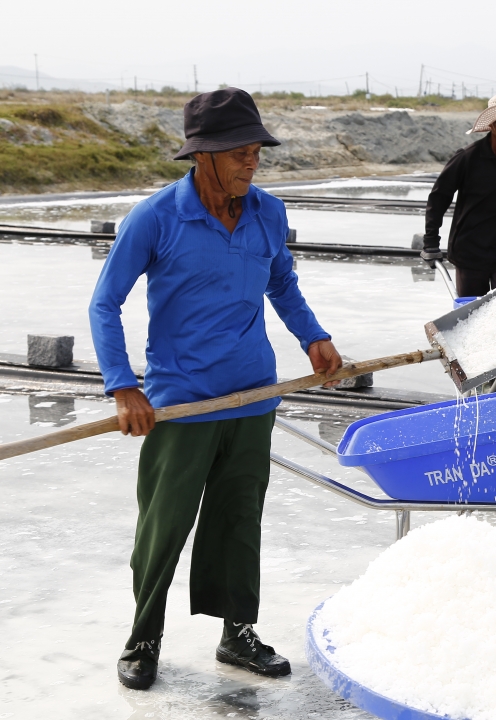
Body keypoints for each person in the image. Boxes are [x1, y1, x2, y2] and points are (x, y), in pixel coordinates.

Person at [89, 88, 342, 690]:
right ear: (202, 156)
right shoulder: (156, 218)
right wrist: (125, 387)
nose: (251, 163)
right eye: (239, 153)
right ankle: (143, 636)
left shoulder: (267, 213)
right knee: (165, 523)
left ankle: (238, 633)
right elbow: (105, 303)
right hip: (182, 401)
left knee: (237, 519)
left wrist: (313, 336)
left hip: (252, 395)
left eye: (256, 151)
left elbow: (281, 281)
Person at [421, 92, 496, 296]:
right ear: (493, 124)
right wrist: (431, 243)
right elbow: (439, 198)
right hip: (470, 250)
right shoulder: (468, 158)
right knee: (473, 313)